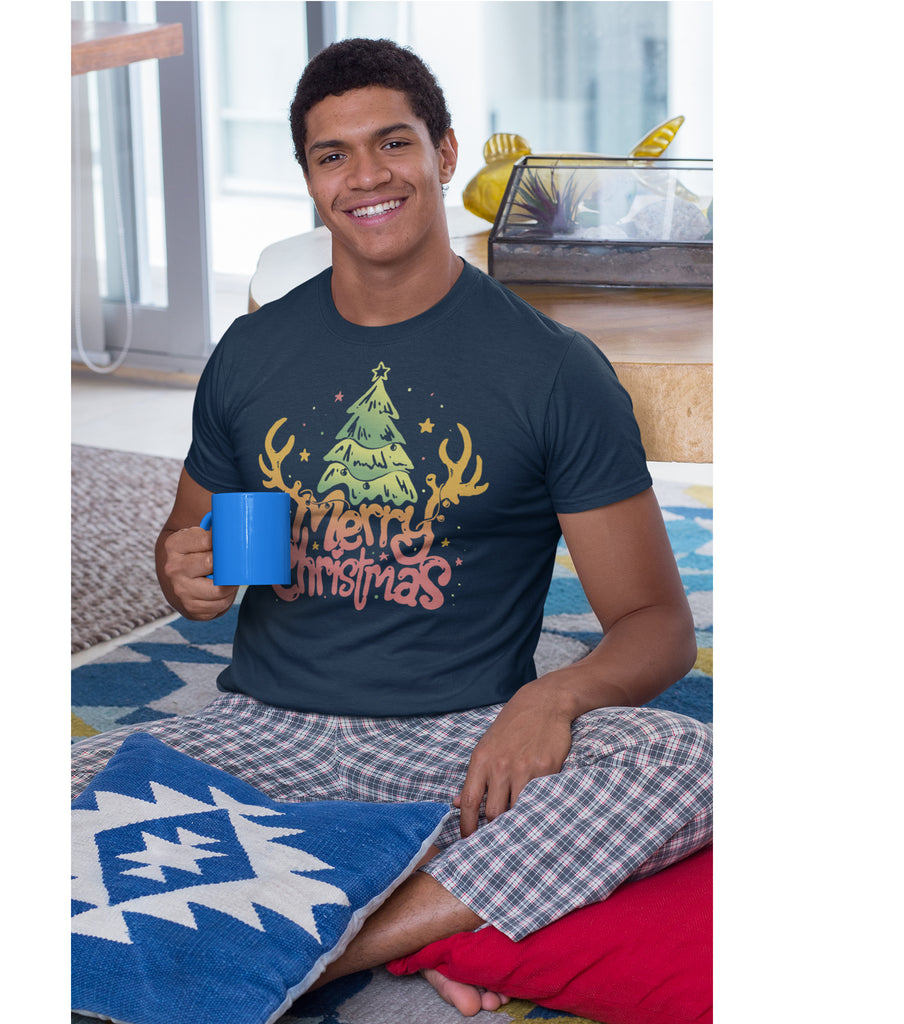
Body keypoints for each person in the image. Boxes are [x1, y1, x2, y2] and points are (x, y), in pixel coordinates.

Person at [71, 38, 712, 1017]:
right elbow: (184, 555)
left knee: (685, 760)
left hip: (453, 747)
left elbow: (656, 623)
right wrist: (181, 573)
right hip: (254, 735)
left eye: (392, 143)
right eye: (333, 154)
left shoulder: (552, 370)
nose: (366, 176)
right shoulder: (251, 351)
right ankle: (452, 916)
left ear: (444, 153)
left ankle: (336, 942)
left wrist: (553, 701)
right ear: (308, 178)